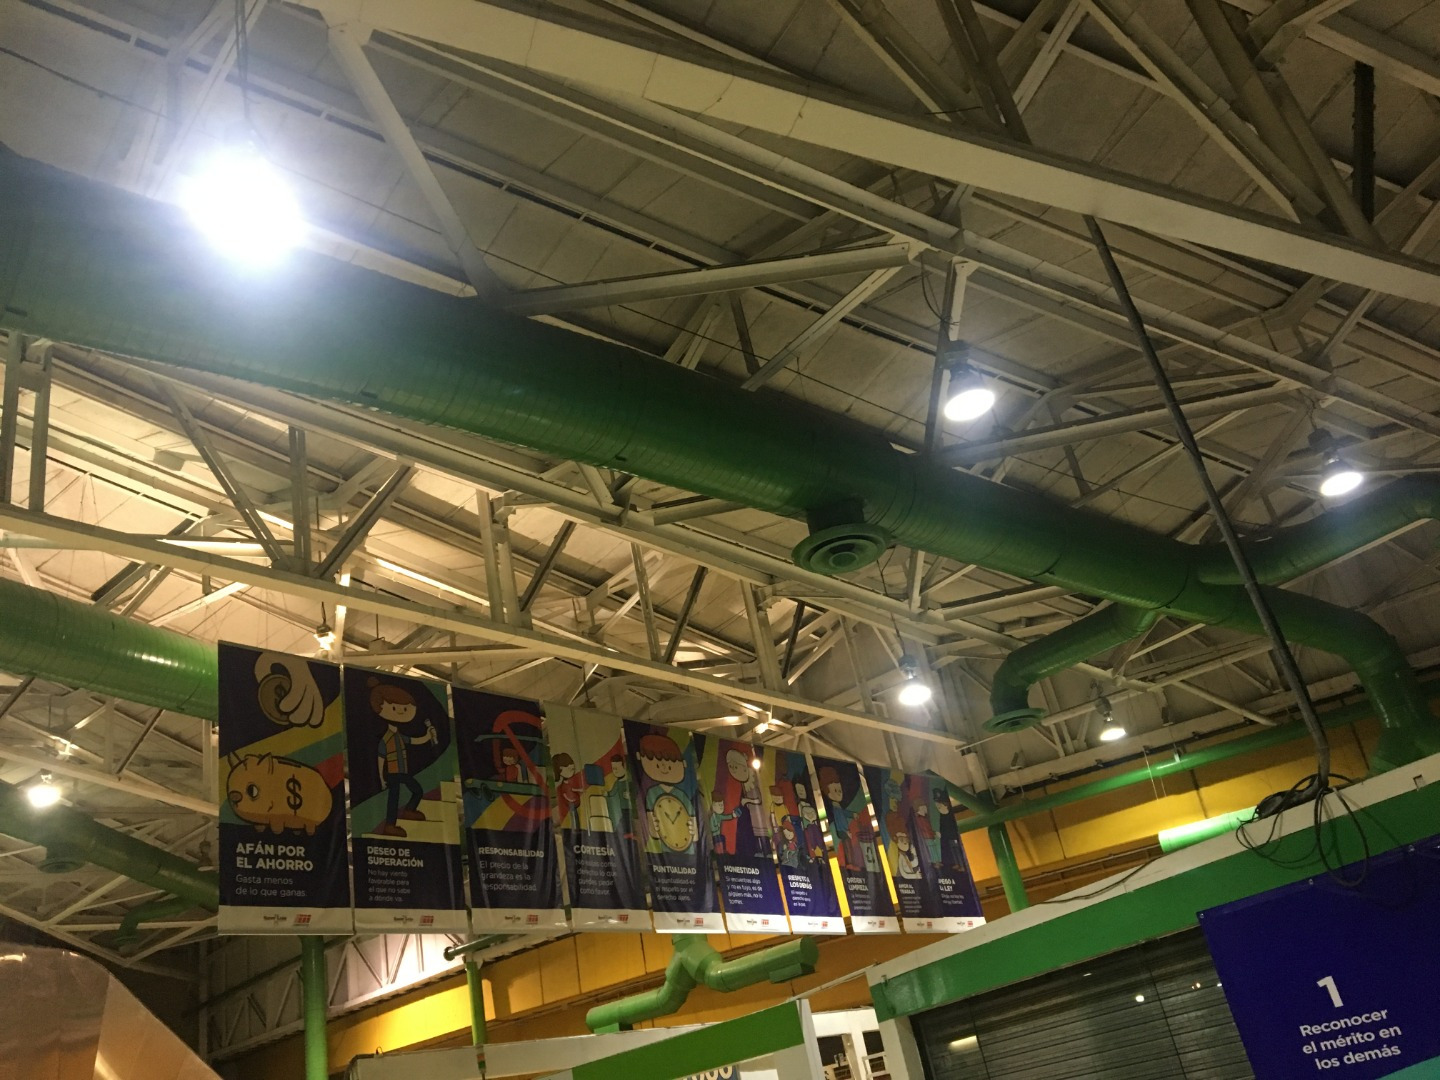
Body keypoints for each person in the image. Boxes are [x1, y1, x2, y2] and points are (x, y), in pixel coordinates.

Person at [371, 679, 436, 838]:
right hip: (393, 773)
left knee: (416, 790)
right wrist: (381, 778)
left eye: (405, 708)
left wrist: (428, 736)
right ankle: (390, 825)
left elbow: (415, 741)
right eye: (394, 708)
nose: (400, 712)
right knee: (394, 799)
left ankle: (409, 810)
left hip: (402, 771)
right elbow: (380, 759)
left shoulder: (399, 736)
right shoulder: (385, 739)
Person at [636, 732, 697, 853]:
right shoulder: (651, 793)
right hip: (664, 848)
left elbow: (694, 824)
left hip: (687, 847)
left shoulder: (682, 795)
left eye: (670, 766)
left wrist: (692, 830)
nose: (664, 768)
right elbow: (652, 827)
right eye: (658, 765)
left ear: (683, 764)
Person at [888, 812, 922, 879]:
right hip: (909, 880)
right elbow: (904, 873)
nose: (905, 842)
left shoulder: (912, 849)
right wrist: (915, 876)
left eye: (906, 839)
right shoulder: (901, 857)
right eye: (901, 840)